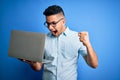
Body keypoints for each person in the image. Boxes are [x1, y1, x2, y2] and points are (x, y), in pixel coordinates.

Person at [20, 5, 98, 80]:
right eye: (47, 24)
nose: (50, 27)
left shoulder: (77, 38)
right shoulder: (43, 39)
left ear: (63, 21)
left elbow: (94, 65)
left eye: (53, 23)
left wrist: (88, 44)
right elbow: (38, 67)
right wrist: (30, 61)